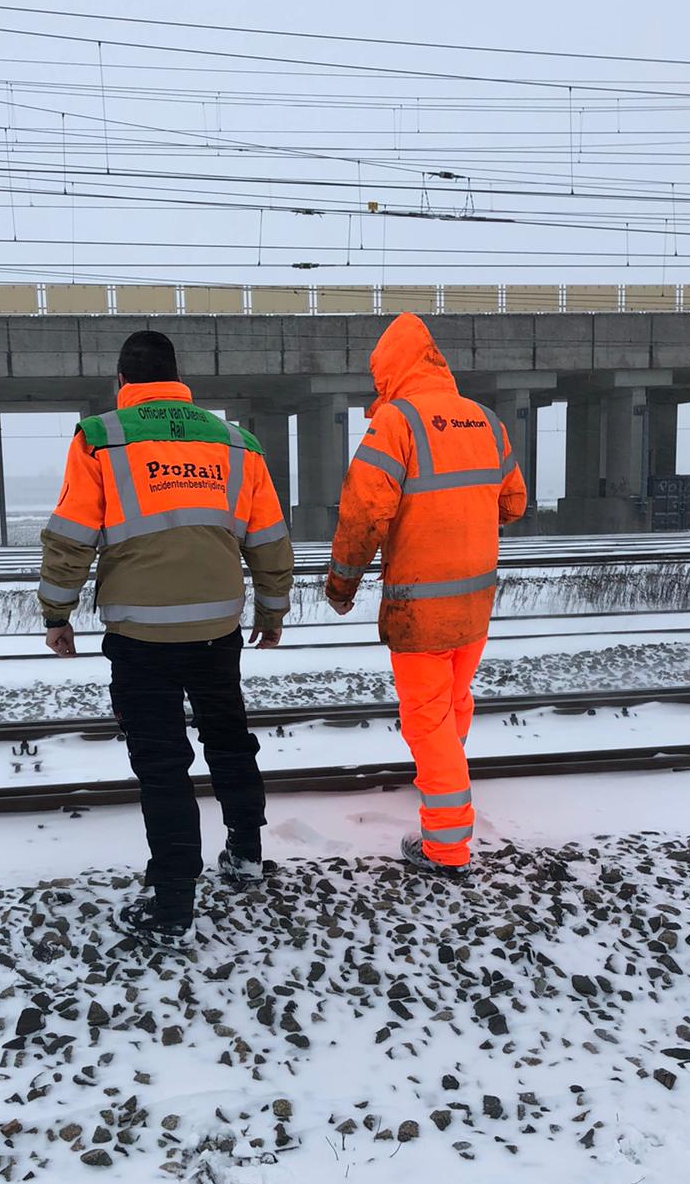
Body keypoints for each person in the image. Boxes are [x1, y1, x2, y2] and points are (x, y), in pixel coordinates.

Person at [38, 329, 294, 942]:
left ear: (123, 384)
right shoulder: (238, 443)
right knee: (229, 737)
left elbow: (73, 535)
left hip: (140, 633)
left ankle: (174, 900)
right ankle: (246, 854)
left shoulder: (101, 437)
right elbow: (269, 538)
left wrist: (57, 611)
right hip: (217, 626)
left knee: (162, 764)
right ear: (180, 383)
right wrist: (272, 610)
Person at [325, 313, 527, 874]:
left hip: (420, 608)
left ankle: (446, 845)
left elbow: (364, 512)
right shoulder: (485, 420)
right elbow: (513, 503)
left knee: (427, 722)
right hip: (475, 602)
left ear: (391, 368)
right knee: (454, 705)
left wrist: (342, 583)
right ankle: (449, 785)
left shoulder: (396, 422)